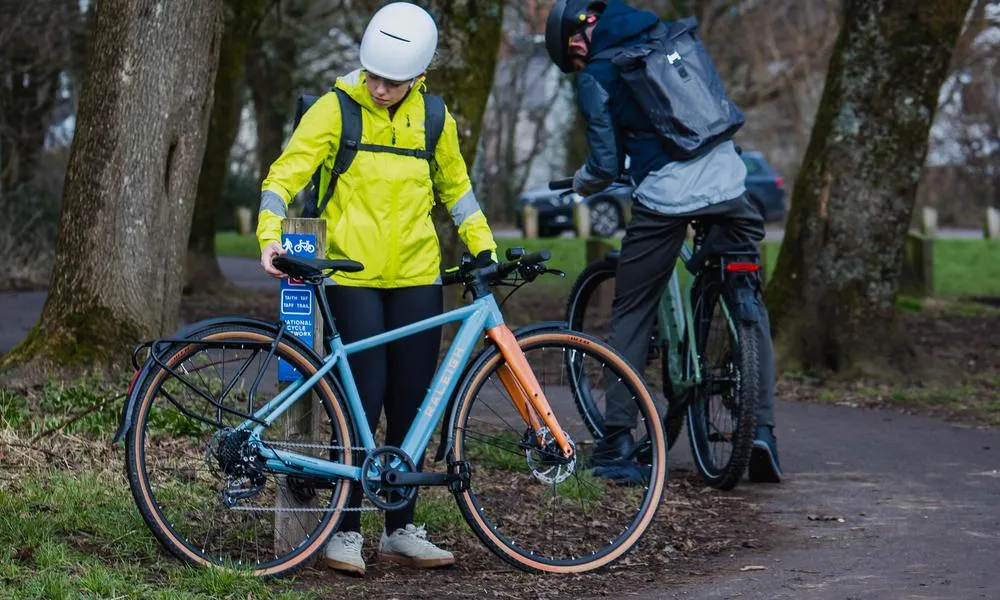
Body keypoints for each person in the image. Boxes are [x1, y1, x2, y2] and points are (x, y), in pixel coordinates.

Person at [256, 2, 498, 576]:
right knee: (358, 404)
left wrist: (482, 245)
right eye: (374, 74)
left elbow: (457, 191)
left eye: (394, 79)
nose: (381, 87)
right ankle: (344, 530)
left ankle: (400, 528)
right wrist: (270, 236)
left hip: (418, 277)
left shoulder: (434, 119)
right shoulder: (334, 110)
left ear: (420, 76)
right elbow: (283, 176)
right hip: (352, 276)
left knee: (412, 406)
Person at [544, 0, 782, 483]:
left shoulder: (598, 74)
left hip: (666, 197)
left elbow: (607, 166)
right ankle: (762, 432)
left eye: (573, 62)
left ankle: (616, 445)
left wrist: (581, 183)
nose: (578, 69)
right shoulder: (676, 39)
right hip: (730, 183)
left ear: (575, 39)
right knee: (746, 291)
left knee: (632, 308)